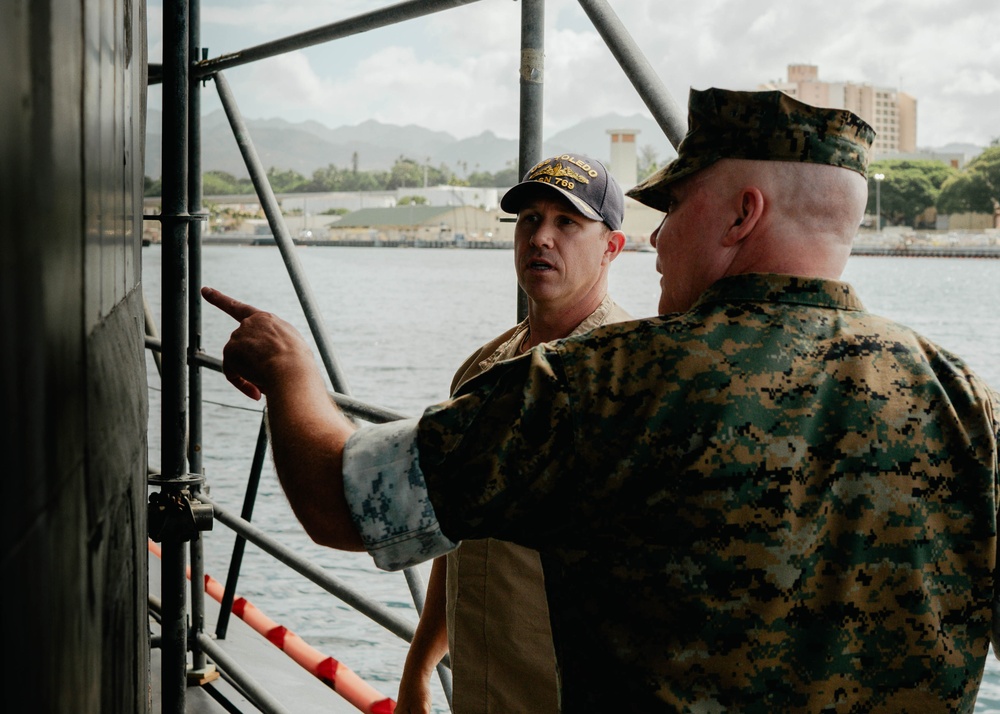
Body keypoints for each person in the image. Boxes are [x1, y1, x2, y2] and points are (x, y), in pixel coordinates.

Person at [203, 87, 1000, 712]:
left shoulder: (610, 381)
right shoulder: (967, 404)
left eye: (675, 207)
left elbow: (345, 500)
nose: (658, 238)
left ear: (742, 214)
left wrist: (288, 371)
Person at [396, 154, 631, 714]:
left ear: (611, 248)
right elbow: (452, 534)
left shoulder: (628, 381)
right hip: (481, 686)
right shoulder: (483, 370)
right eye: (529, 219)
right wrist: (421, 664)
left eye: (567, 223)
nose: (541, 238)